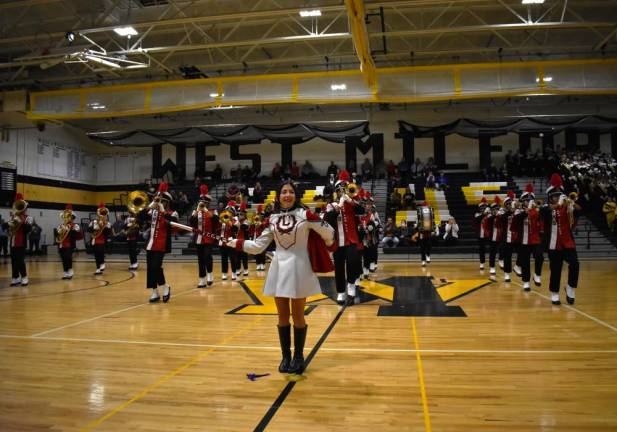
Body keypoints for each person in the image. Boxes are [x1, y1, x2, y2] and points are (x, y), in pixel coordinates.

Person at [226, 180, 335, 375]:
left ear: (296, 195)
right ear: (278, 196)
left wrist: (324, 240)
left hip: (300, 268)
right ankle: (285, 356)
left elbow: (329, 232)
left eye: (291, 192)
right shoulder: (272, 219)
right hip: (279, 269)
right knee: (282, 316)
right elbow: (258, 246)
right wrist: (236, 242)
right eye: (284, 192)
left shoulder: (305, 215)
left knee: (298, 315)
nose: (287, 195)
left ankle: (299, 357)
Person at [541, 174, 582, 305]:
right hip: (553, 244)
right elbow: (545, 212)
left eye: (559, 195)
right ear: (550, 197)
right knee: (556, 269)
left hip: (568, 242)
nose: (557, 198)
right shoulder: (546, 208)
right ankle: (554, 293)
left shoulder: (567, 207)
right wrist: (558, 205)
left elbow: (580, 211)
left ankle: (570, 287)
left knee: (575, 264)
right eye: (555, 196)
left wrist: (572, 203)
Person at [324, 170, 364, 304]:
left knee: (353, 262)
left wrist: (350, 201)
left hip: (352, 240)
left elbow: (362, 210)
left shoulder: (352, 204)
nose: (342, 192)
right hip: (337, 243)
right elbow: (327, 220)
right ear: (337, 192)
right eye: (340, 190)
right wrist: (338, 207)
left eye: (344, 189)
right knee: (339, 268)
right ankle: (341, 292)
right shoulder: (331, 205)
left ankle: (351, 284)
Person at [145, 182, 178, 303]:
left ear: (167, 203)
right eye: (158, 200)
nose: (160, 203)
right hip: (150, 243)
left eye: (162, 201)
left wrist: (163, 211)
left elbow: (173, 225)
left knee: (155, 266)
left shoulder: (171, 213)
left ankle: (165, 287)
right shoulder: (152, 212)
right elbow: (140, 216)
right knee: (151, 268)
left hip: (162, 244)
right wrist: (151, 205)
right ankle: (155, 292)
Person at [514, 184, 544, 291]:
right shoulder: (519, 211)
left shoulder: (537, 211)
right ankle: (526, 282)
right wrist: (526, 212)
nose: (528, 202)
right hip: (523, 240)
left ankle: (537, 274)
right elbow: (516, 220)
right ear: (523, 202)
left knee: (540, 256)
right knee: (525, 262)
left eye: (530, 200)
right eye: (526, 200)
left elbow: (542, 221)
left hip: (535, 239)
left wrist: (537, 210)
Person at [190, 185, 218, 287]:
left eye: (205, 202)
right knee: (200, 259)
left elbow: (216, 221)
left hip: (209, 238)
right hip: (198, 239)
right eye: (201, 202)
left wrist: (206, 210)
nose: (202, 203)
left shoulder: (213, 211)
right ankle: (202, 279)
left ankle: (210, 274)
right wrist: (197, 212)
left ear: (208, 203)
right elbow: (192, 223)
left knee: (207, 256)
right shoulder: (195, 212)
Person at [5, 193, 32, 286]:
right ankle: (15, 278)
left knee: (20, 260)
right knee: (13, 260)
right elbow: (10, 229)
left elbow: (28, 229)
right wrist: (7, 225)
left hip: (21, 242)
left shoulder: (28, 218)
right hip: (13, 242)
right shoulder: (13, 217)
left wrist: (21, 221)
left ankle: (24, 277)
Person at [57, 205, 81, 279]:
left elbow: (77, 235)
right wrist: (60, 230)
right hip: (62, 244)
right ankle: (65, 272)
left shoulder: (75, 226)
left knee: (68, 257)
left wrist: (69, 229)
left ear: (72, 217)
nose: (67, 218)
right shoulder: (61, 226)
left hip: (70, 244)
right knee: (63, 258)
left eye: (69, 216)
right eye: (66, 216)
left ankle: (70, 270)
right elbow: (58, 235)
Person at [88, 203, 112, 275]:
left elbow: (108, 232)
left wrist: (104, 226)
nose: (102, 214)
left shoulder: (107, 223)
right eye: (101, 212)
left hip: (102, 240)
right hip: (94, 240)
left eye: (103, 213)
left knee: (100, 251)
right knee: (96, 255)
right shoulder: (94, 222)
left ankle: (102, 263)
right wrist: (94, 227)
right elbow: (88, 230)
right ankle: (98, 268)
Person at [220, 201, 240, 281]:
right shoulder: (222, 219)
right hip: (223, 241)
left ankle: (234, 273)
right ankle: (224, 273)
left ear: (233, 213)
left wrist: (230, 222)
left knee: (233, 258)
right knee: (224, 258)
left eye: (230, 212)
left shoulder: (236, 221)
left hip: (232, 241)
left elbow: (235, 230)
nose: (228, 213)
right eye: (227, 211)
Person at [416, 202, 439, 266]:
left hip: (428, 233)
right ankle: (423, 261)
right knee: (422, 247)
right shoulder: (419, 212)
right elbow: (418, 222)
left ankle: (428, 255)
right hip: (422, 233)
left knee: (429, 245)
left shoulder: (431, 212)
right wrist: (417, 226)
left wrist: (433, 229)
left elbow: (433, 220)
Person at [473, 197, 492, 270]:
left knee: (491, 249)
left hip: (488, 234)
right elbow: (477, 219)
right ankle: (482, 263)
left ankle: (491, 264)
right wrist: (484, 214)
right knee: (481, 249)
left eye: (485, 207)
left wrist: (489, 213)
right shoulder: (477, 214)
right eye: (482, 207)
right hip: (480, 234)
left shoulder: (489, 215)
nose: (483, 208)